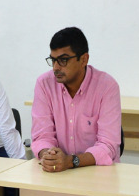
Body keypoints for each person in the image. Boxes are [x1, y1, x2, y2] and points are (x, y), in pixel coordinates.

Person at [31, 26, 121, 173]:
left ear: (84, 59)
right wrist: (49, 156)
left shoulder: (107, 87)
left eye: (63, 60)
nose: (55, 67)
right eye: (53, 60)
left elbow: (108, 145)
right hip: (58, 171)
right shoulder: (44, 84)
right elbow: (42, 136)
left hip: (99, 173)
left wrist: (70, 161)